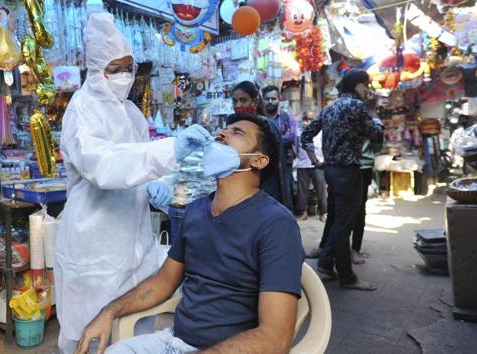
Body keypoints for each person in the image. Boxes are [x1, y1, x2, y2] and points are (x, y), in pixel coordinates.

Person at [76, 113, 305, 354]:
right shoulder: (196, 210)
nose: (222, 134)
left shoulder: (277, 225)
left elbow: (275, 339)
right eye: (224, 129)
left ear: (258, 160)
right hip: (173, 341)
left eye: (237, 133)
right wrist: (109, 312)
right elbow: (163, 282)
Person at [55, 1, 212, 353]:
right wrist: (168, 151)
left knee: (133, 328)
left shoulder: (131, 113)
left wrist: (158, 185)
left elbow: (137, 166)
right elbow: (101, 164)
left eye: (129, 68)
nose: (125, 75)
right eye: (116, 69)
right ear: (96, 70)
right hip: (93, 243)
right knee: (88, 331)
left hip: (133, 236)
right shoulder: (82, 110)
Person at [301, 69, 384, 291]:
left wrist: (316, 161)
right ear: (358, 86)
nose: (369, 89)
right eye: (367, 84)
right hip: (348, 172)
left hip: (331, 170)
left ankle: (327, 264)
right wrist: (374, 111)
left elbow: (306, 136)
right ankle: (347, 276)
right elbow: (376, 136)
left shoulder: (330, 107)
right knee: (343, 224)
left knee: (338, 218)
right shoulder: (358, 107)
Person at [232, 81, 294, 212]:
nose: (238, 105)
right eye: (235, 101)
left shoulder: (266, 124)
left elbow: (279, 165)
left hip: (265, 186)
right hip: (240, 187)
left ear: (254, 101)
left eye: (243, 100)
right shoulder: (233, 125)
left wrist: (285, 202)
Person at [295, 110, 327, 221]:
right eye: (306, 119)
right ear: (302, 120)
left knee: (321, 191)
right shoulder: (298, 132)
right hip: (302, 165)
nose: (308, 122)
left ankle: (323, 213)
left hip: (318, 165)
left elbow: (325, 147)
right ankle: (303, 213)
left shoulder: (321, 133)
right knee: (302, 191)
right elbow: (295, 148)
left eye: (310, 119)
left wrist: (323, 162)